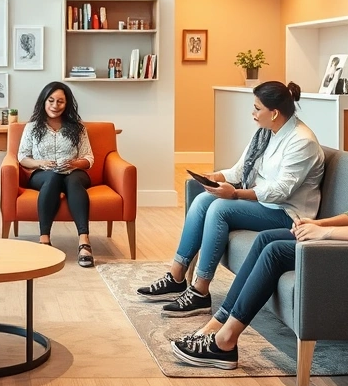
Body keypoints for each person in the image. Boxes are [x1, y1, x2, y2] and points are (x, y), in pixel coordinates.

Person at [170, 93, 348, 370]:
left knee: (276, 251)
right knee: (268, 239)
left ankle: (224, 343)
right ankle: (217, 324)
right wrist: (320, 224)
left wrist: (324, 235)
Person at [137, 81, 325, 317]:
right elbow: (239, 170)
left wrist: (235, 194)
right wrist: (215, 177)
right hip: (264, 204)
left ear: (274, 113)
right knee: (203, 200)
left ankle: (200, 292)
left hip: (287, 214)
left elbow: (281, 191)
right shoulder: (267, 133)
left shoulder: (302, 141)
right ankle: (176, 276)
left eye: (257, 108)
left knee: (220, 209)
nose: (253, 113)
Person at [17, 81, 96, 267]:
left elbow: (89, 158)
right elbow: (22, 157)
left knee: (73, 181)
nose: (55, 105)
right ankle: (44, 239)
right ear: (44, 101)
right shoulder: (32, 127)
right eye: (51, 100)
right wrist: (40, 163)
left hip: (73, 173)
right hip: (44, 174)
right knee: (52, 177)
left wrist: (74, 163)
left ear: (67, 104)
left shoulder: (78, 128)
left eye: (60, 101)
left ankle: (84, 241)